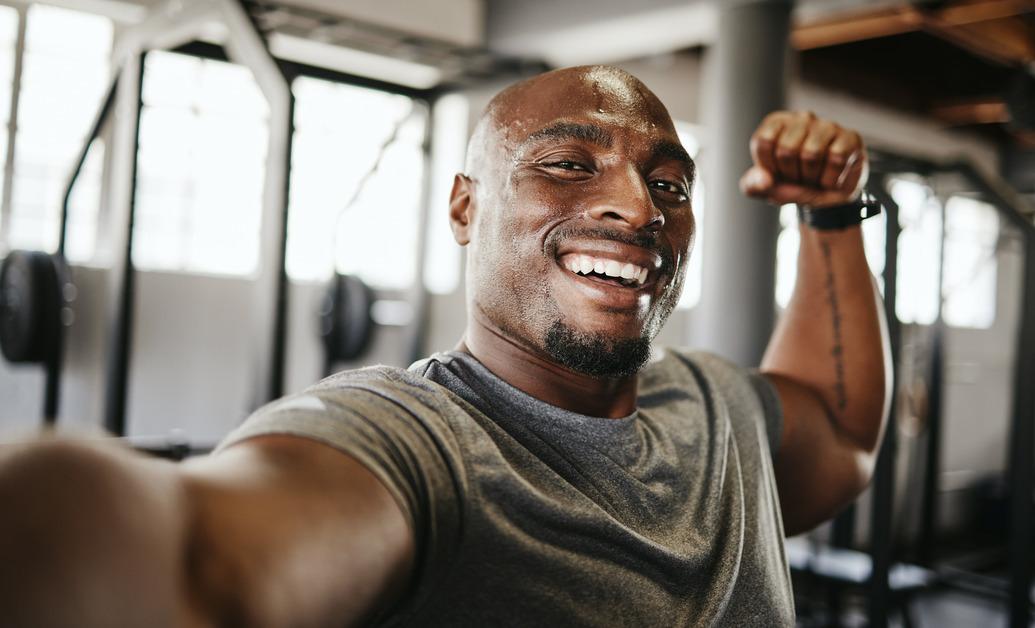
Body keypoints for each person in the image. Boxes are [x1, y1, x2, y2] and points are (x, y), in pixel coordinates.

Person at [0, 65, 889, 627]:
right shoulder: (409, 442)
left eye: (667, 182)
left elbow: (843, 438)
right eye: (569, 164)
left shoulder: (714, 399)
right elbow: (202, 566)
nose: (639, 208)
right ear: (466, 208)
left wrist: (830, 215)